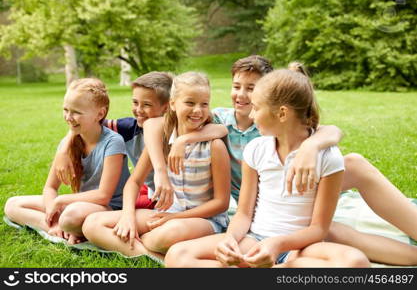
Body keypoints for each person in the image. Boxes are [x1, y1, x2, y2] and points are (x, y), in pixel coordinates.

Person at [147, 56, 417, 266]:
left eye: (253, 96)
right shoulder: (227, 124)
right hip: (256, 227)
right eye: (238, 87)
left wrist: (312, 146)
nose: (247, 104)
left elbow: (326, 131)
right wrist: (230, 239)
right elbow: (242, 213)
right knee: (178, 256)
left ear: (282, 112)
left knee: (352, 259)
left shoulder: (309, 144)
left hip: (297, 236)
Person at [82, 72, 231, 258]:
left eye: (204, 104)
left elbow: (221, 203)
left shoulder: (214, 146)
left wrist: (174, 218)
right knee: (92, 223)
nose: (198, 110)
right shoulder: (161, 139)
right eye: (190, 103)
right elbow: (134, 182)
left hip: (203, 219)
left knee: (166, 234)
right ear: (173, 104)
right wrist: (128, 216)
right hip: (166, 213)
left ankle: (138, 247)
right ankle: (155, 258)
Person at [54, 71, 227, 210]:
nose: (138, 110)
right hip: (153, 193)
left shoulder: (177, 129)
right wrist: (64, 149)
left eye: (146, 105)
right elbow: (87, 124)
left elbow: (221, 128)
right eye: (135, 102)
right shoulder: (129, 128)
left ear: (168, 107)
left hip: (173, 200)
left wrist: (185, 140)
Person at [4, 78, 130, 245]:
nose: (69, 117)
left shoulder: (113, 142)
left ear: (100, 114)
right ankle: (57, 229)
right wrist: (53, 213)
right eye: (66, 110)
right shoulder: (67, 144)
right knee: (12, 205)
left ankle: (68, 227)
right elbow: (50, 187)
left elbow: (103, 196)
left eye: (76, 112)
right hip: (78, 204)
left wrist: (61, 201)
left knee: (71, 215)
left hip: (109, 208)